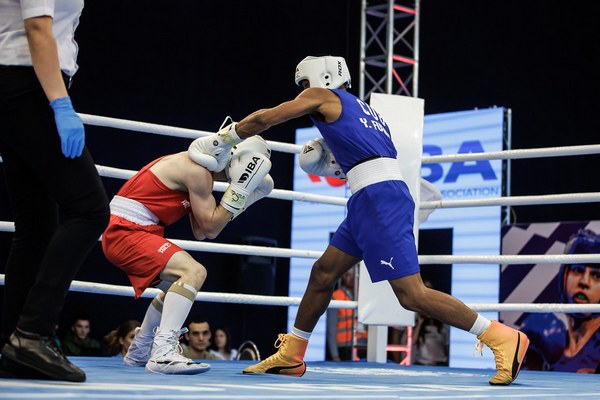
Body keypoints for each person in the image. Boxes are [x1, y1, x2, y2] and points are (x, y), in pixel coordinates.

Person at [188, 55, 529, 385]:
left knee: (412, 294)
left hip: (378, 199)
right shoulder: (366, 111)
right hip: (369, 198)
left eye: (304, 83)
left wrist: (226, 138)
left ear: (320, 77)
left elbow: (266, 119)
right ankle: (293, 352)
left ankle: (500, 336)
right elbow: (364, 156)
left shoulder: (322, 95)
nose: (302, 91)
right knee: (323, 273)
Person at [0, 0, 110, 382]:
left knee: (37, 225)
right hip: (27, 83)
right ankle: (31, 334)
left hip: (21, 84)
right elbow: (37, 28)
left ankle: (12, 343)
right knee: (90, 209)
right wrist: (60, 104)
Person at [101, 135, 273, 375]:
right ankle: (162, 354)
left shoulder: (204, 176)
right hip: (126, 230)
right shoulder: (198, 171)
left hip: (129, 230)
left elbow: (202, 232)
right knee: (193, 271)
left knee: (176, 285)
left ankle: (140, 349)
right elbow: (212, 228)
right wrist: (241, 190)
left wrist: (243, 197)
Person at [520, 229, 600, 373]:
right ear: (564, 276)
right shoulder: (550, 343)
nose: (584, 282)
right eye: (577, 270)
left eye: (596, 276)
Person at [326, 266, 367, 361]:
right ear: (342, 278)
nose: (352, 278)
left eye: (354, 275)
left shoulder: (364, 296)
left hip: (365, 346)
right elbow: (331, 329)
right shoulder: (335, 297)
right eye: (348, 275)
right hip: (344, 348)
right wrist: (335, 355)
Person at [411, 281, 450, 366]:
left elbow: (447, 347)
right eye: (424, 288)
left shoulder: (443, 324)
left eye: (429, 288)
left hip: (440, 364)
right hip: (420, 363)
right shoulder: (414, 317)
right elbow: (412, 342)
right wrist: (420, 323)